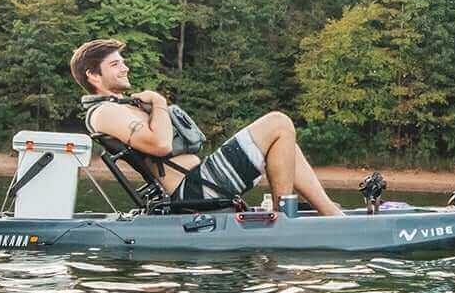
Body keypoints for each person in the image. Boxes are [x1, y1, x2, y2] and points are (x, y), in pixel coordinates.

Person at [69, 38, 342, 215]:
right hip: (193, 191)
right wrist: (160, 103)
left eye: (123, 62)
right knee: (279, 122)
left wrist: (154, 106)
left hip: (203, 179)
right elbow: (161, 145)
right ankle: (284, 219)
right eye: (115, 64)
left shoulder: (125, 107)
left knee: (286, 144)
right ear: (93, 75)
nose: (125, 68)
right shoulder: (104, 111)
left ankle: (329, 214)